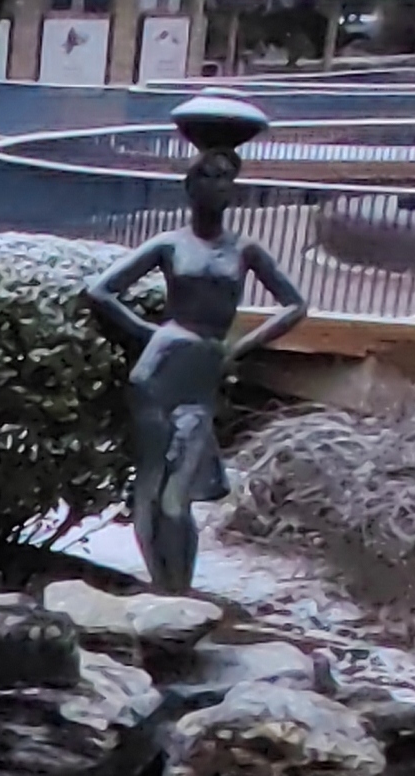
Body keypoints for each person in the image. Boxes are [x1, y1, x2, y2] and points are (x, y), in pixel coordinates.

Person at [82, 103, 311, 597]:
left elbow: (294, 305)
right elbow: (99, 292)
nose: (219, 186)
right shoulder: (169, 244)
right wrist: (151, 334)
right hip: (158, 372)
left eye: (227, 177)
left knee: (175, 496)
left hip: (203, 375)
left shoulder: (245, 250)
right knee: (149, 485)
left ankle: (178, 595)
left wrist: (241, 347)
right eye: (209, 176)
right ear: (191, 185)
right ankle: (162, 593)